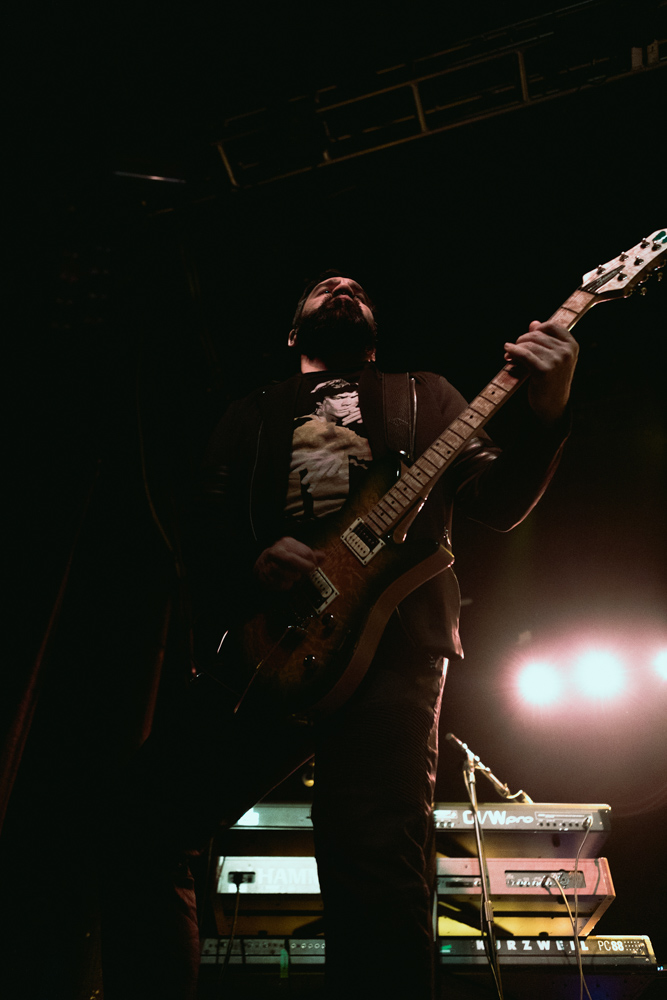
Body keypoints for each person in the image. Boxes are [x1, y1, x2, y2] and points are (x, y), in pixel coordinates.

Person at [100, 269, 579, 1000]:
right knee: (142, 821)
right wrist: (252, 564)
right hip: (270, 643)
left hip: (392, 645)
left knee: (374, 862)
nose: (343, 289)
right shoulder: (252, 412)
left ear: (374, 335)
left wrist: (548, 410)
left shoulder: (424, 395)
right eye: (325, 288)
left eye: (356, 289)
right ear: (294, 331)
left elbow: (498, 501)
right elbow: (200, 527)